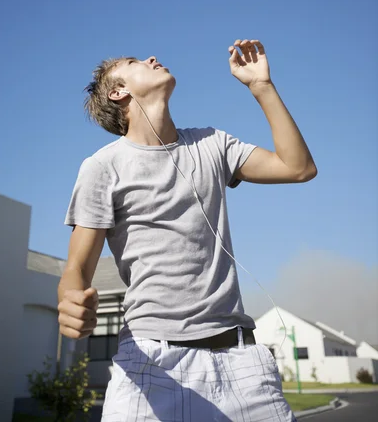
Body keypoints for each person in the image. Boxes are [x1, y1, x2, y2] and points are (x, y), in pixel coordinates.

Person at [58, 39, 317, 421]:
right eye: (133, 61)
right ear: (118, 92)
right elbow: (76, 268)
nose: (150, 57)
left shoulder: (212, 144)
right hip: (152, 363)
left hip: (240, 362)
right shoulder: (102, 167)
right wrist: (70, 301)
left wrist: (261, 86)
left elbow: (298, 168)